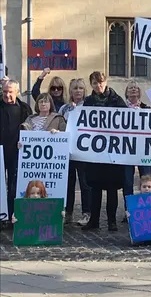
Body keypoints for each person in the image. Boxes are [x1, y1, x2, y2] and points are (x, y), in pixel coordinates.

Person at [82, 71, 127, 232]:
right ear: (91, 85)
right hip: (95, 150)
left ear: (105, 82)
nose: (98, 86)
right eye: (95, 83)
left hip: (112, 151)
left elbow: (126, 121)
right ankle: (94, 220)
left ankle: (111, 221)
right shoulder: (88, 102)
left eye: (100, 83)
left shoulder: (117, 100)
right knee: (95, 188)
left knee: (112, 188)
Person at [58, 78, 91, 225]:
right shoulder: (64, 109)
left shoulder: (89, 106)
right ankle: (69, 212)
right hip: (67, 151)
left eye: (80, 88)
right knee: (68, 183)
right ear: (70, 91)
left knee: (84, 183)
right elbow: (59, 126)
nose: (78, 91)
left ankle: (86, 213)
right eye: (75, 88)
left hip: (83, 151)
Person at [0, 80, 33, 227]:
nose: (7, 94)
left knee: (14, 185)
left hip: (17, 152)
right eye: (5, 91)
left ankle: (12, 215)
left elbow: (31, 130)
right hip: (0, 151)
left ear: (17, 92)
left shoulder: (25, 109)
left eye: (10, 91)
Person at [123, 81, 151, 216]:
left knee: (147, 179)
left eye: (135, 88)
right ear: (126, 92)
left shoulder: (147, 109)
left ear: (139, 92)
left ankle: (147, 208)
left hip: (144, 149)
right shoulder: (121, 109)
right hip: (127, 149)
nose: (133, 90)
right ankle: (128, 210)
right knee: (127, 181)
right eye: (130, 88)